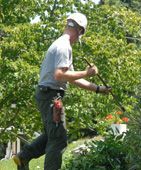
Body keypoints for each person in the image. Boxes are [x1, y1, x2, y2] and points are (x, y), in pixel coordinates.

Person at [12, 12, 111, 170]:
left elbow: (71, 77)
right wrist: (87, 72)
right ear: (80, 31)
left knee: (53, 135)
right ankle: (28, 159)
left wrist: (98, 89)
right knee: (58, 139)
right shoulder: (64, 47)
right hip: (50, 95)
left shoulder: (61, 44)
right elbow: (60, 75)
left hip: (47, 94)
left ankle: (23, 157)